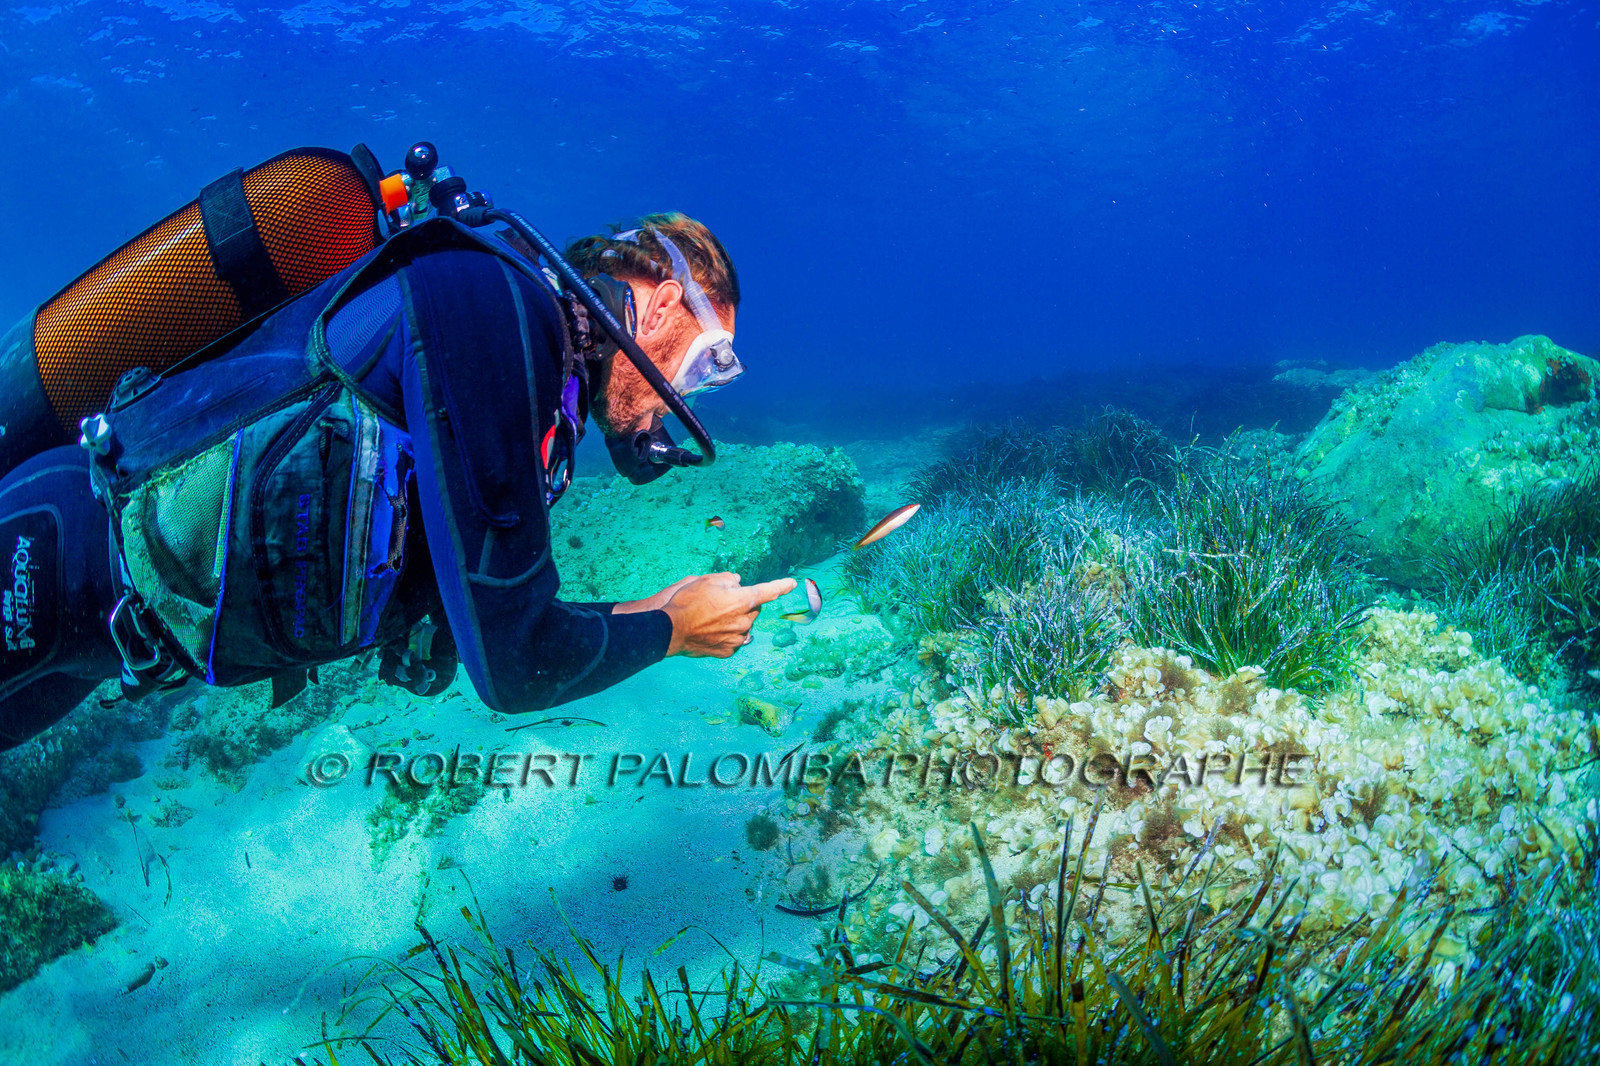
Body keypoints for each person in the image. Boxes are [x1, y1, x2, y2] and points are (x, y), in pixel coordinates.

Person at [0, 208, 795, 752]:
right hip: (59, 558)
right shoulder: (498, 312)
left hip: (99, 634)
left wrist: (655, 608)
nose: (689, 395)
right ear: (659, 306)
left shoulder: (524, 352)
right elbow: (516, 663)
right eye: (706, 363)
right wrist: (672, 630)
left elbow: (499, 612)